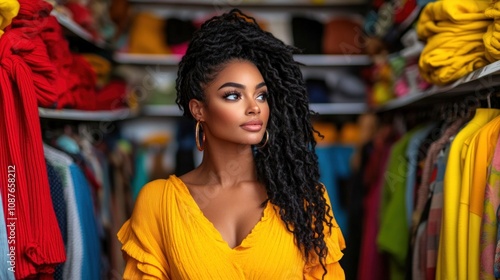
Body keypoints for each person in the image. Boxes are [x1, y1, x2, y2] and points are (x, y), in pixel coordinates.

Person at [117, 9, 346, 279]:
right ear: (198, 110)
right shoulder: (158, 203)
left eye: (261, 96)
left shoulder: (304, 200)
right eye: (233, 95)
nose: (254, 108)